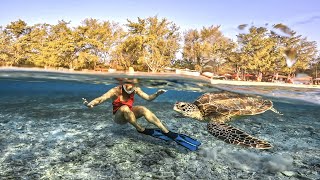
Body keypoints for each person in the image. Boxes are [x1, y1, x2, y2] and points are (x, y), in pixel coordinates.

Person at [82, 83, 201, 151]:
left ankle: (166, 131)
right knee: (124, 108)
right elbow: (101, 98)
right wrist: (90, 104)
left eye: (132, 89)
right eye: (128, 90)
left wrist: (157, 94)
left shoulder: (135, 88)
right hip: (119, 118)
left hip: (130, 113)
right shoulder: (114, 91)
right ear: (122, 87)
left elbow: (148, 98)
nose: (131, 92)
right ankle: (140, 129)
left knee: (143, 109)